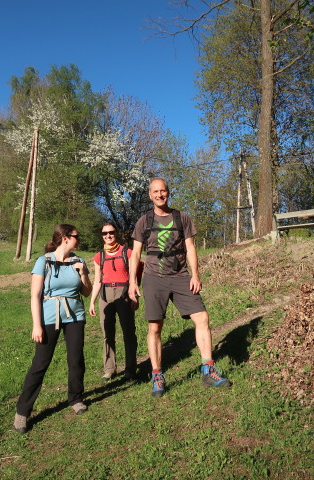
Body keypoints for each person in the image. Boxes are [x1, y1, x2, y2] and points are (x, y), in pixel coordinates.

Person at [128, 177, 231, 397]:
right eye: (155, 192)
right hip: (154, 278)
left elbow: (190, 247)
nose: (159, 195)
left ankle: (208, 369)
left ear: (168, 192)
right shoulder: (143, 221)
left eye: (163, 191)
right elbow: (135, 253)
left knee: (202, 317)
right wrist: (131, 282)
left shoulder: (181, 218)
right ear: (150, 195)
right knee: (155, 327)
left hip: (181, 276)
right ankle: (157, 375)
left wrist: (195, 275)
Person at [14, 224, 91, 433]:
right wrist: (36, 325)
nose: (79, 239)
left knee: (76, 360)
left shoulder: (79, 261)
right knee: (40, 363)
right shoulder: (43, 261)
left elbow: (87, 292)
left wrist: (83, 274)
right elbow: (35, 296)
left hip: (75, 316)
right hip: (49, 317)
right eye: (77, 236)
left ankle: (75, 398)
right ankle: (22, 412)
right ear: (65, 238)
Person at [89, 223, 139, 382]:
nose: (108, 236)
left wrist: (135, 296)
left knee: (128, 332)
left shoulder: (128, 252)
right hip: (105, 295)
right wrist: (92, 302)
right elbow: (97, 280)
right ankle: (109, 369)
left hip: (124, 293)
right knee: (107, 334)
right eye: (104, 233)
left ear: (116, 233)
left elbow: (134, 277)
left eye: (111, 232)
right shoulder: (99, 256)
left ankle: (130, 368)